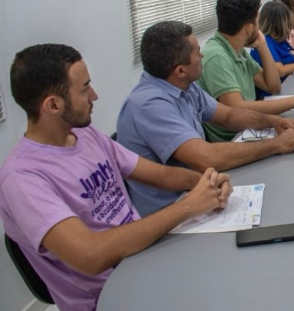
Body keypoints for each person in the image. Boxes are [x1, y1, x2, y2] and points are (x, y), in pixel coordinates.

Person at [0, 44, 233, 311]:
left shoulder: (85, 135)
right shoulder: (22, 178)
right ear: (53, 104)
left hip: (144, 258)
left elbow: (159, 174)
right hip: (109, 297)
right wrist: (188, 206)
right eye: (85, 88)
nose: (95, 95)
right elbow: (91, 255)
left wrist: (206, 182)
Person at [118, 21, 294, 217]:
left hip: (198, 195)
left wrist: (272, 121)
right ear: (180, 70)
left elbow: (228, 116)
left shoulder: (183, 85)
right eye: (197, 53)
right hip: (170, 216)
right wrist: (276, 145)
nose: (202, 56)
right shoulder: (149, 105)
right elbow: (207, 158)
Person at [198, 0, 294, 142]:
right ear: (249, 27)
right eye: (258, 20)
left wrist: (262, 46)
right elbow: (237, 109)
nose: (260, 26)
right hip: (234, 139)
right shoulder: (216, 56)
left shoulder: (238, 50)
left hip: (250, 128)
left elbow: (273, 86)